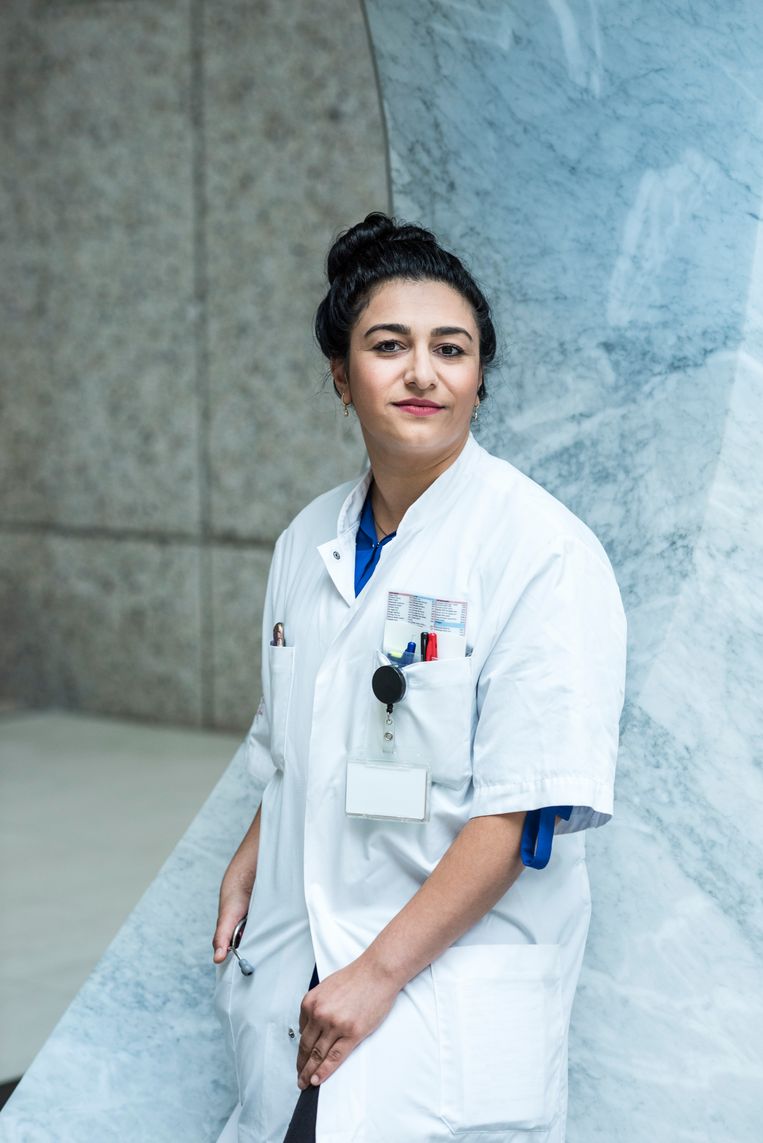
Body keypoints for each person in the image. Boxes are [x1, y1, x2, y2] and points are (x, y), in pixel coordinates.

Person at [212, 213, 627, 1143]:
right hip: (301, 978)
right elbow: (297, 732)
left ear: (479, 375)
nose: (421, 373)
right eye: (387, 345)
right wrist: (257, 845)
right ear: (338, 372)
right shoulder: (306, 540)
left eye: (451, 348)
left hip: (436, 998)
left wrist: (377, 974)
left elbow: (519, 809)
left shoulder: (540, 552)